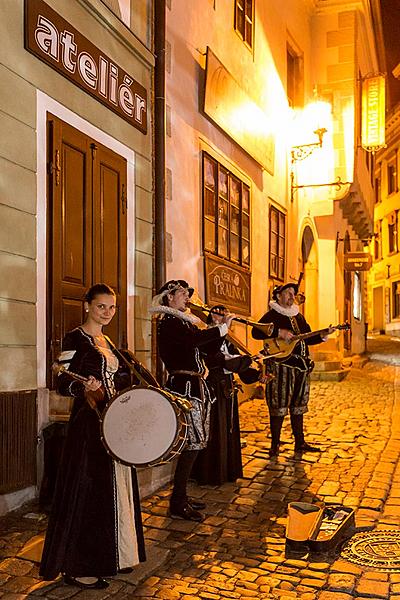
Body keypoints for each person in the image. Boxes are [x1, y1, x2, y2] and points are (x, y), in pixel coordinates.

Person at [40, 284, 146, 589]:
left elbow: (119, 377)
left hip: (113, 422)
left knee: (114, 488)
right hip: (88, 427)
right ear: (87, 305)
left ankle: (115, 555)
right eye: (101, 306)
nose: (107, 313)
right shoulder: (76, 338)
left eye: (112, 307)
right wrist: (81, 386)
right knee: (88, 493)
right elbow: (59, 377)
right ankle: (78, 566)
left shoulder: (107, 341)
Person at [150, 281, 235, 521]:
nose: (187, 297)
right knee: (192, 443)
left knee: (196, 443)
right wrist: (219, 329)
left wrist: (218, 327)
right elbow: (194, 341)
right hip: (184, 388)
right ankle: (177, 500)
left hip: (197, 387)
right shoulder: (170, 323)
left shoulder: (183, 322)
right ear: (169, 298)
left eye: (187, 293)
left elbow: (206, 349)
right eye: (182, 293)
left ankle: (181, 496)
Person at [252, 282, 333, 457]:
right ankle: (275, 444)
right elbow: (256, 332)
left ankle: (300, 442)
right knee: (278, 404)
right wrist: (278, 333)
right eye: (288, 293)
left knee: (299, 405)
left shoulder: (299, 317)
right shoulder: (272, 315)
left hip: (301, 366)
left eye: (293, 294)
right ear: (279, 296)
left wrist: (323, 335)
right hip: (281, 366)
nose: (291, 296)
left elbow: (308, 338)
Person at [192, 305, 262, 485]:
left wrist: (258, 375)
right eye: (216, 314)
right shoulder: (206, 337)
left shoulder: (229, 341)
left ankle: (227, 471)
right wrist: (247, 360)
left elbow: (239, 365)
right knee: (214, 429)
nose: (220, 318)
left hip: (227, 388)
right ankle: (210, 474)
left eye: (223, 315)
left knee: (228, 428)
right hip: (212, 387)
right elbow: (221, 361)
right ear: (209, 317)